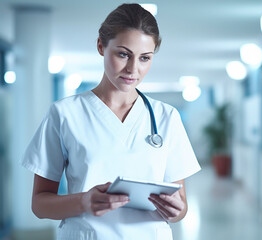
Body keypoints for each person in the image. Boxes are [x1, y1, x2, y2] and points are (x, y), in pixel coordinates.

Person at [21, 3, 201, 240]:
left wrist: (178, 211)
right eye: (123, 54)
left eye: (145, 58)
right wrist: (84, 201)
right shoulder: (65, 114)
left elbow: (181, 207)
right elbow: (40, 204)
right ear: (100, 46)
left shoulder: (166, 117)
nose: (132, 69)